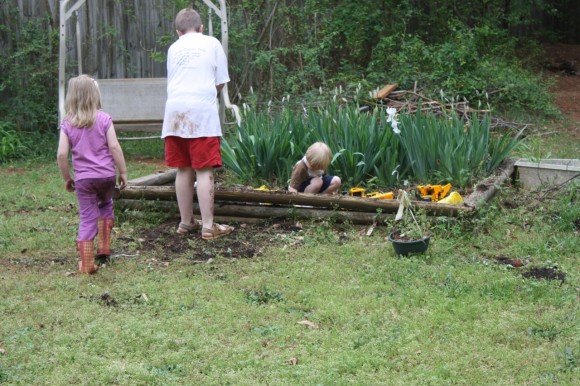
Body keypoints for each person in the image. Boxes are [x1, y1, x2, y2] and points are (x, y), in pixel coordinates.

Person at [161, 8, 234, 240]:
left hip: (174, 113)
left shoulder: (173, 48)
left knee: (183, 168)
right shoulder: (212, 43)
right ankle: (208, 226)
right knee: (203, 169)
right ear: (201, 28)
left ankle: (186, 222)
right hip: (201, 114)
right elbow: (220, 83)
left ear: (178, 32)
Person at [57, 75, 128, 274]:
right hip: (106, 176)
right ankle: (104, 247)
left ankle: (87, 264)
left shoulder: (68, 123)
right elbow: (114, 147)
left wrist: (67, 178)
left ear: (71, 98)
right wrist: (122, 172)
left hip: (84, 180)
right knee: (106, 204)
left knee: (88, 218)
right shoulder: (104, 119)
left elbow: (62, 154)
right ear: (95, 94)